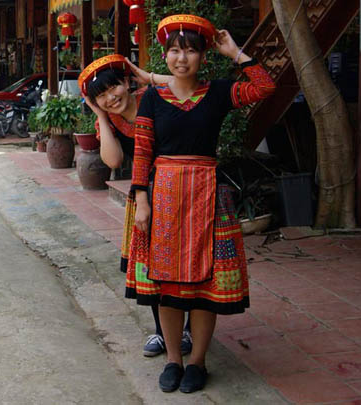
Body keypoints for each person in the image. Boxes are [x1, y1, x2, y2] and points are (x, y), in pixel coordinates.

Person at [131, 15, 275, 393]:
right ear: (165, 55)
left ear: (203, 56)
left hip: (206, 198)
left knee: (204, 287)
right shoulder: (152, 97)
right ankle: (173, 360)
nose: (182, 58)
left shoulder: (218, 92)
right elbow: (143, 152)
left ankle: (197, 362)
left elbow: (265, 87)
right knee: (167, 285)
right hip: (163, 198)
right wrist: (141, 199)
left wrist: (235, 52)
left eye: (191, 50)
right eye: (175, 50)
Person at [79, 54, 193, 359]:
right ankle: (162, 331)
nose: (110, 98)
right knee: (152, 265)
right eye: (100, 95)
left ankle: (190, 330)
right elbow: (114, 161)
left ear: (127, 82)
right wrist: (101, 116)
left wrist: (146, 75)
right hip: (146, 194)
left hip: (183, 187)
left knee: (188, 259)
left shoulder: (156, 97)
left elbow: (187, 85)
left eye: (112, 88)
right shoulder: (109, 119)